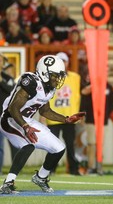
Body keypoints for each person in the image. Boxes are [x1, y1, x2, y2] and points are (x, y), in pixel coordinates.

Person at [0, 55, 85, 194]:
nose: (58, 79)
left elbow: (45, 110)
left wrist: (66, 119)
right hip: (9, 119)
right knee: (28, 146)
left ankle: (41, 177)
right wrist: (26, 127)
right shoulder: (31, 81)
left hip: (26, 119)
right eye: (55, 75)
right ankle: (7, 184)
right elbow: (13, 108)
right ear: (45, 72)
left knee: (59, 148)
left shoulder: (49, 87)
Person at [44, 52, 81, 175]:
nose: (63, 63)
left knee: (70, 145)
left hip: (69, 117)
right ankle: (49, 169)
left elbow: (79, 94)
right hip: (53, 117)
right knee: (52, 146)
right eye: (60, 61)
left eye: (64, 61)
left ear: (68, 62)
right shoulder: (50, 78)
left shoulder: (75, 77)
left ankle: (74, 169)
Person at [80, 63, 113, 174]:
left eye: (107, 71)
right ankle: (91, 166)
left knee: (100, 144)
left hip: (103, 120)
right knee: (91, 143)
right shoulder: (91, 85)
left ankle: (99, 166)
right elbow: (83, 97)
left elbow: (111, 106)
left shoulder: (109, 87)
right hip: (91, 118)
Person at [0, 53, 15, 175]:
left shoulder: (8, 78)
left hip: (6, 117)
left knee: (15, 144)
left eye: (0, 60)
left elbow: (12, 92)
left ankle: (15, 171)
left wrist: (0, 81)